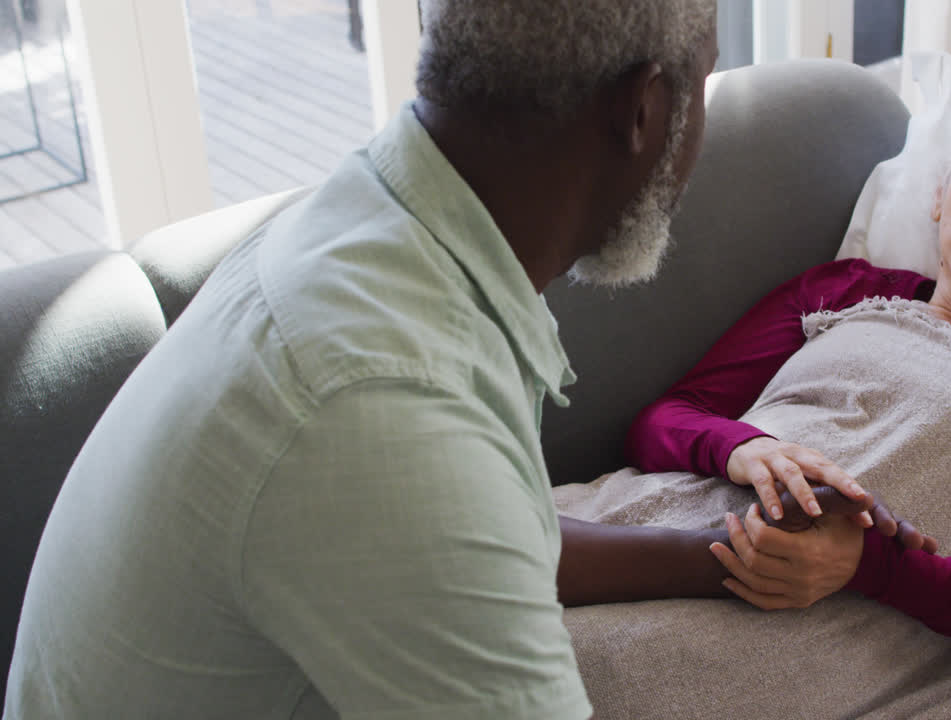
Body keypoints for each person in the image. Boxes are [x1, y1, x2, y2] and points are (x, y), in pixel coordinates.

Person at [2, 2, 753, 718]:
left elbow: (491, 539)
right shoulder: (377, 400)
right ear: (644, 109)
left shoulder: (380, 226)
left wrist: (718, 555)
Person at [562, 35, 951, 662]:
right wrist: (748, 448)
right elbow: (662, 422)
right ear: (939, 193)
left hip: (821, 629)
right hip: (661, 524)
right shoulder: (844, 288)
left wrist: (870, 566)